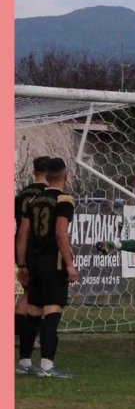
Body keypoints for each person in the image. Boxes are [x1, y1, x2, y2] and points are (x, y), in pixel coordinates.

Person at [15, 158, 77, 378]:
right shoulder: (64, 199)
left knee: (33, 312)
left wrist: (22, 264)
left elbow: (23, 234)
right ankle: (47, 367)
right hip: (53, 263)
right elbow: (61, 232)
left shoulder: (33, 199)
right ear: (65, 176)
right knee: (52, 312)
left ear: (46, 176)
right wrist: (69, 264)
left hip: (33, 261)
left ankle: (23, 363)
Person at [14, 156, 50, 375]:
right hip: (39, 250)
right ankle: (32, 339)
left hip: (20, 245)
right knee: (39, 298)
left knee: (26, 294)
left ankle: (19, 336)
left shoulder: (22, 195)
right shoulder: (47, 196)